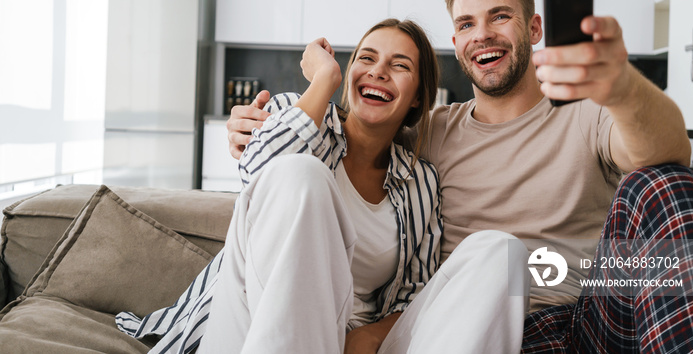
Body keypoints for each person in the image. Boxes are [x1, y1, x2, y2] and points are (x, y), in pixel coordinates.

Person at [228, 0, 693, 353]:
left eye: (500, 16)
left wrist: (622, 88)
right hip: (481, 326)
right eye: (466, 24)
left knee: (662, 181)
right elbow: (346, 140)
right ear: (455, 44)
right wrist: (257, 128)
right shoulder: (431, 130)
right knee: (497, 252)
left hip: (590, 317)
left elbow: (669, 150)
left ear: (534, 27)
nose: (483, 34)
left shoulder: (586, 113)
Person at [116, 18, 531, 354]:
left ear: (419, 98)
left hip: (357, 341)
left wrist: (370, 335)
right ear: (348, 76)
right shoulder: (297, 115)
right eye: (366, 58)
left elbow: (413, 293)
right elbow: (257, 172)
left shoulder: (421, 182)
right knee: (302, 174)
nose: (379, 71)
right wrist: (323, 79)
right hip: (251, 322)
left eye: (400, 65)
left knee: (501, 250)